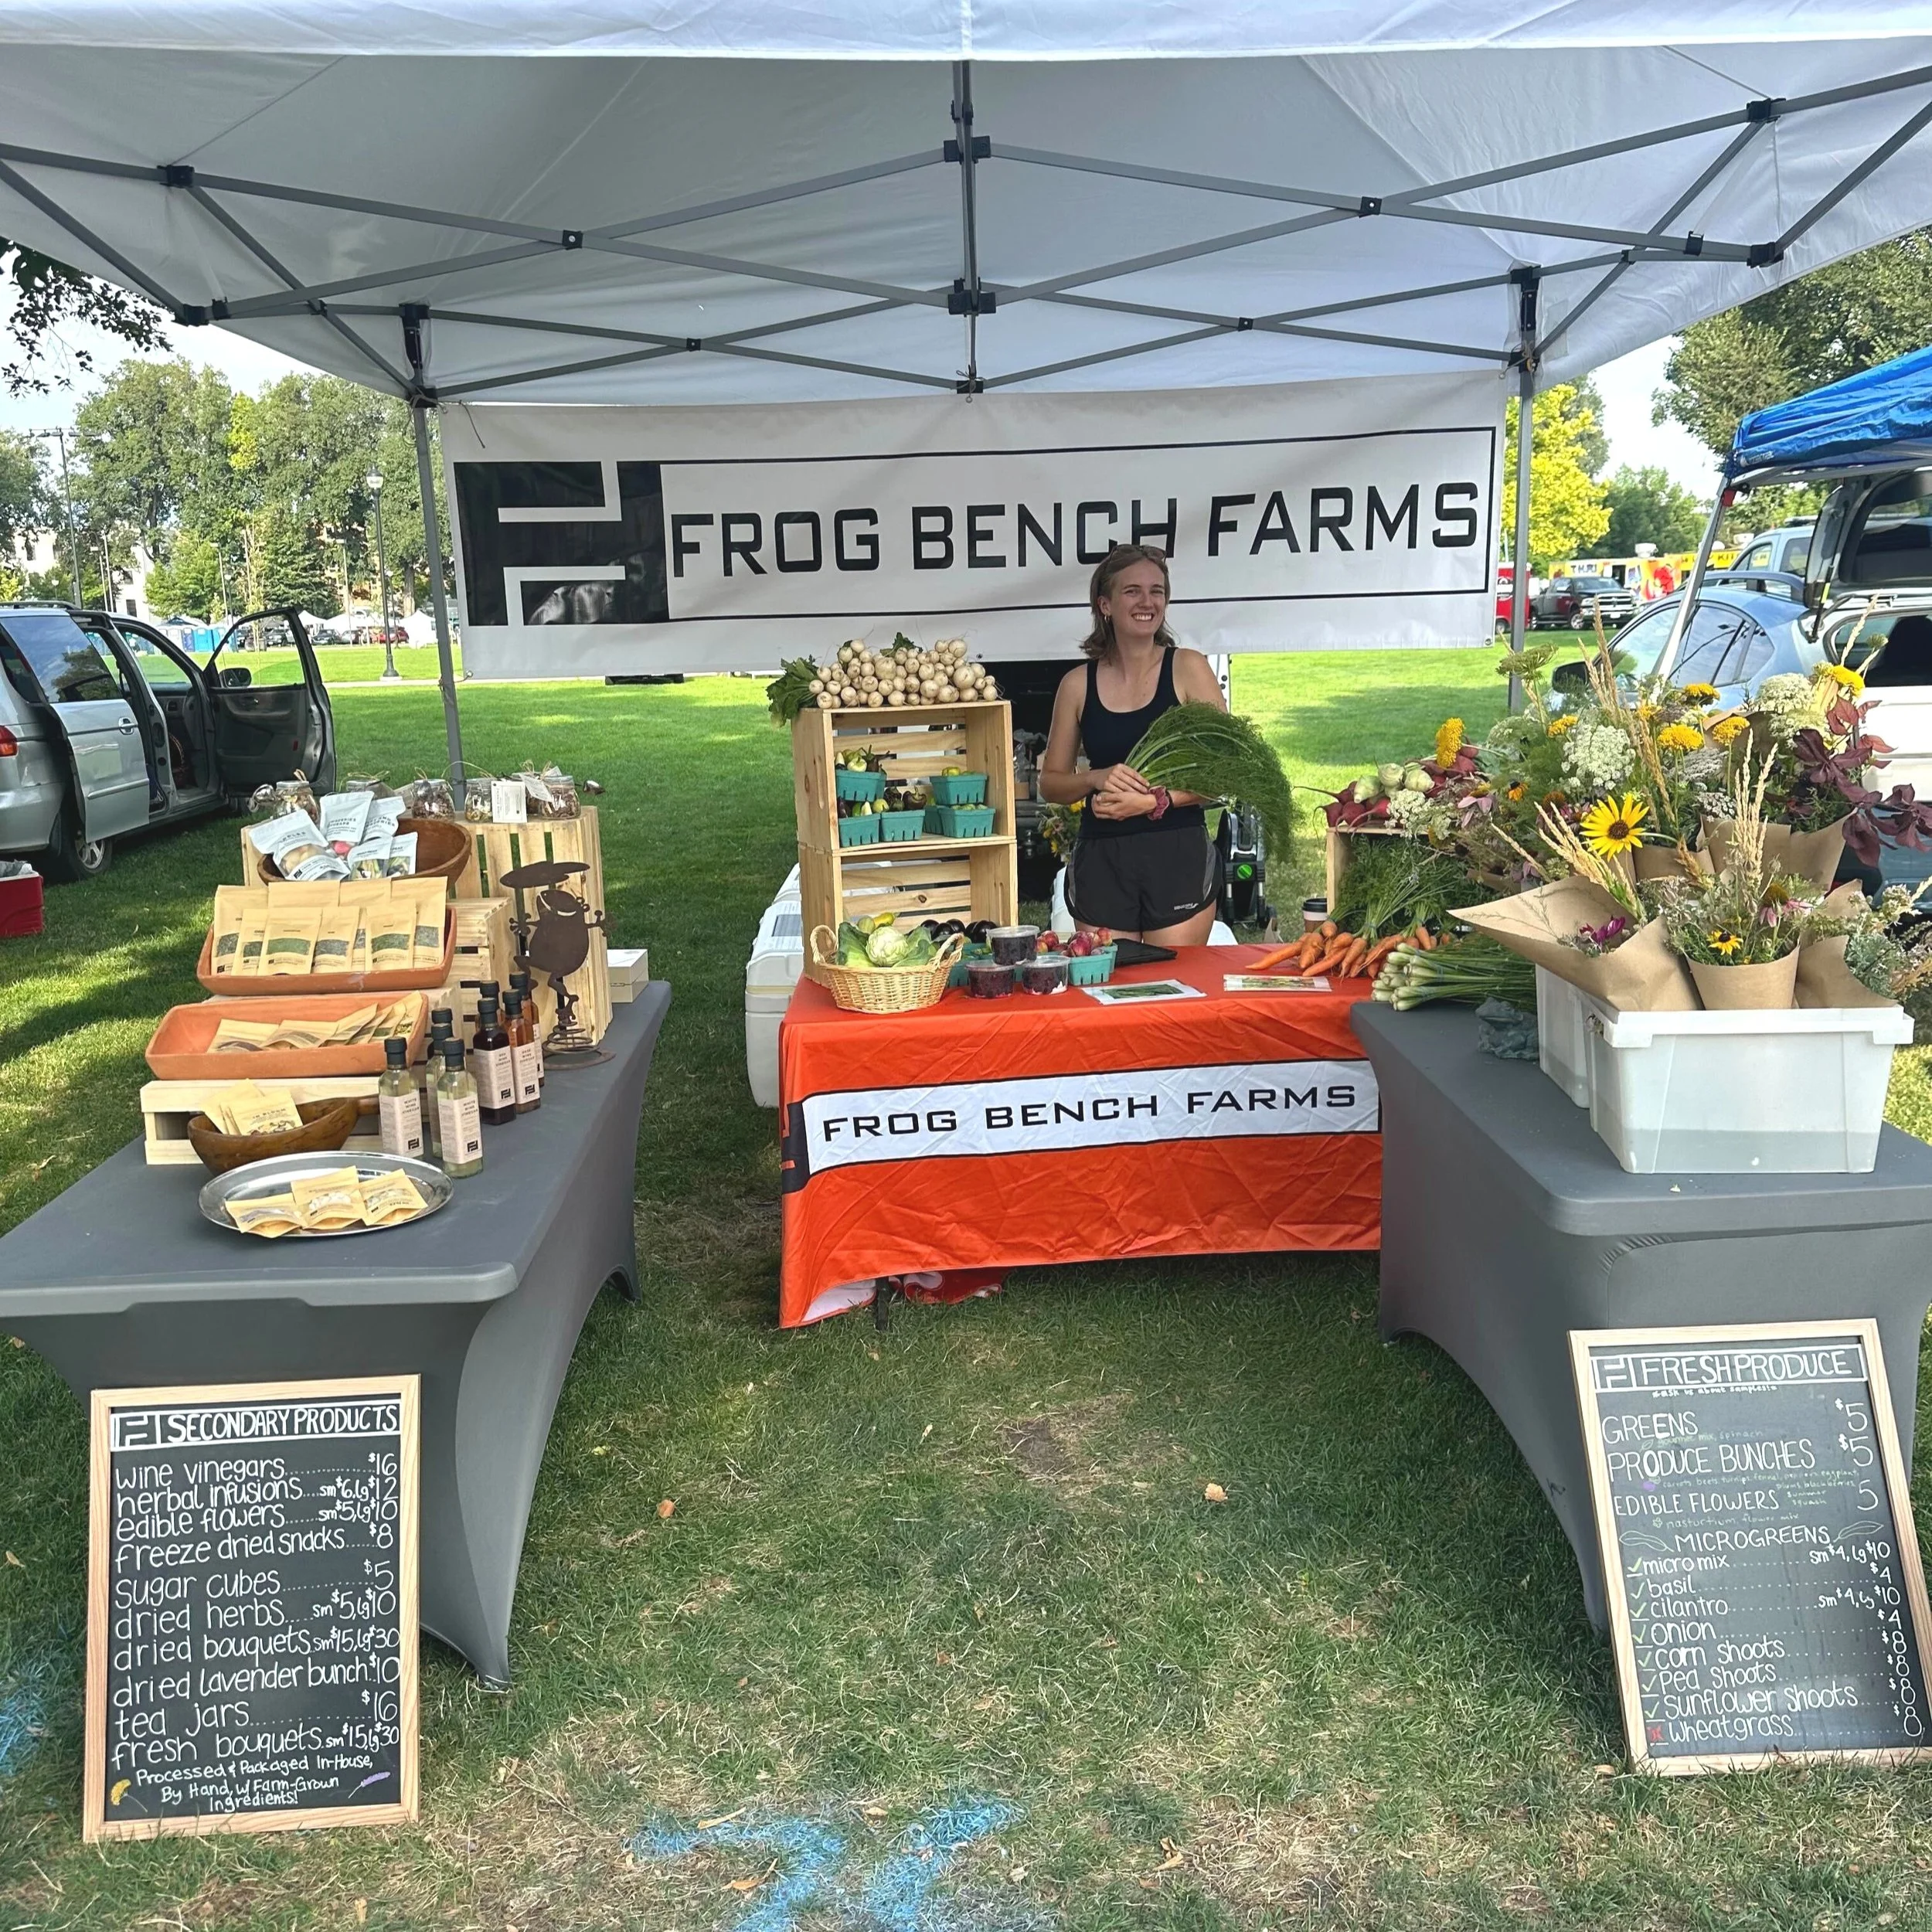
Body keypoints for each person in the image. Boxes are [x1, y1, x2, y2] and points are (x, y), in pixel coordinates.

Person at [1038, 544, 1227, 945]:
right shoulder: (1077, 684)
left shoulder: (1189, 668)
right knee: (1113, 992)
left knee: (1177, 993)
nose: (1147, 602)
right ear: (1105, 604)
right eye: (1133, 591)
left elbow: (1226, 774)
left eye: (1157, 591)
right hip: (1103, 859)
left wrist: (1155, 802)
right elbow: (1051, 785)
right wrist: (1097, 778)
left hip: (1177, 857)